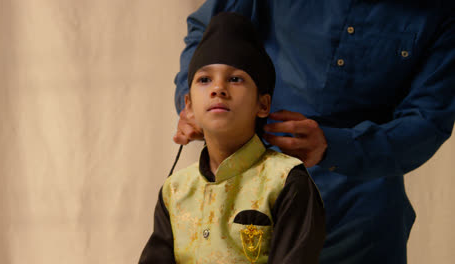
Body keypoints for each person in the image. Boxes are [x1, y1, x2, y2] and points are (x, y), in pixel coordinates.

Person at [172, 1, 455, 263]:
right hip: (252, 196)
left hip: (363, 215)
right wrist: (195, 102)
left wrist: (335, 146)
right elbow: (209, 28)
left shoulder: (439, 11)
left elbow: (428, 121)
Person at [139, 12, 325, 264]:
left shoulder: (287, 181)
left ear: (263, 104)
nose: (218, 89)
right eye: (204, 79)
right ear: (189, 106)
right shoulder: (175, 190)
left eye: (235, 79)